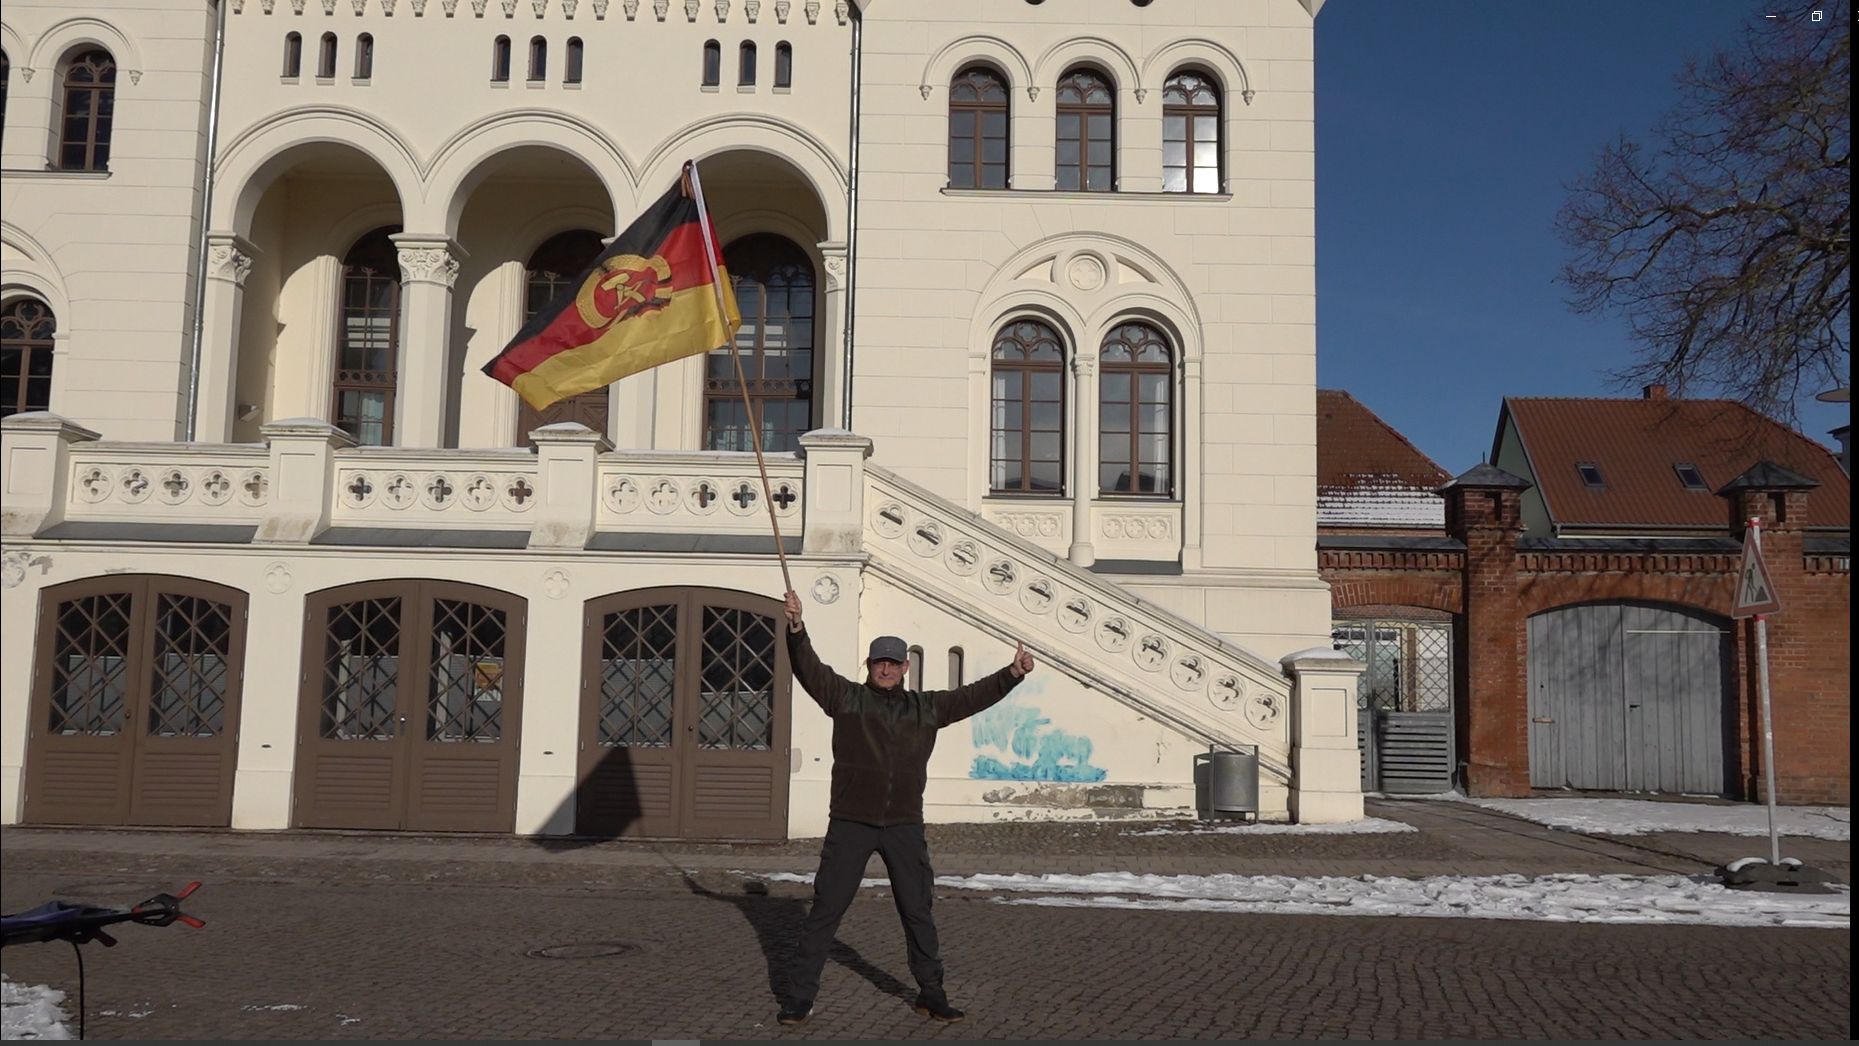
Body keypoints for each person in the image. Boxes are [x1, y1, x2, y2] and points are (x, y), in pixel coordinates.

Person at [776, 588, 1035, 1027]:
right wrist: (797, 629)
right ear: (870, 666)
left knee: (917, 911)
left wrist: (1011, 674)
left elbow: (972, 696)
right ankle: (799, 997)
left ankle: (931, 994)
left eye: (894, 663)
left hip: (903, 826)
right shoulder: (846, 699)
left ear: (905, 668)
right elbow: (810, 670)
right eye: (880, 662)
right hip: (851, 824)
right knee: (826, 910)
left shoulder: (926, 707)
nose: (886, 669)